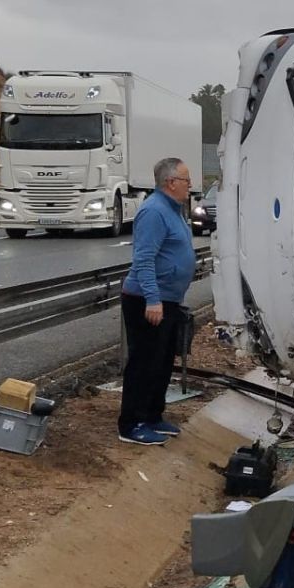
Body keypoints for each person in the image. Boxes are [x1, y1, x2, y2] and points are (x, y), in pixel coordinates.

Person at [118, 157, 199, 445]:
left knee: (163, 361)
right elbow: (144, 259)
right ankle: (131, 423)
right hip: (147, 300)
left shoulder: (175, 210)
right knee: (144, 362)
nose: (190, 185)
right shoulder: (154, 211)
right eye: (186, 180)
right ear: (170, 182)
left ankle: (153, 414)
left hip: (169, 299)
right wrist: (153, 300)